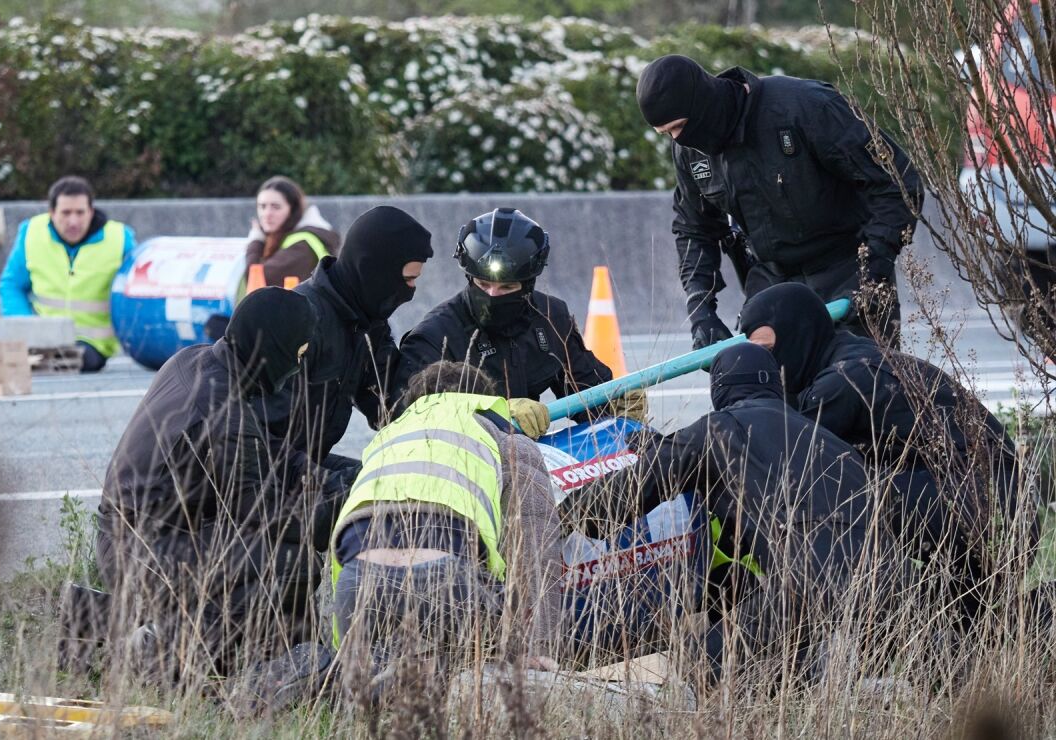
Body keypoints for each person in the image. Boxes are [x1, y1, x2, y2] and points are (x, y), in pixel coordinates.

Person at [96, 287, 355, 680]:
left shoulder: (196, 360)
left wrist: (329, 476)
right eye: (297, 353)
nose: (297, 366)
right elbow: (267, 517)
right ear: (273, 348)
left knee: (263, 555)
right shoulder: (224, 412)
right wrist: (345, 508)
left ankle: (269, 652)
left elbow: (265, 452)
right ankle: (161, 654)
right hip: (143, 555)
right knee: (287, 558)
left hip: (129, 538)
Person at [738, 282, 1035, 620]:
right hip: (998, 512)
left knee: (833, 493)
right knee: (955, 625)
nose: (767, 364)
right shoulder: (856, 356)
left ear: (799, 336)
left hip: (987, 515)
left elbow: (787, 460)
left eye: (768, 351)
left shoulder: (842, 381)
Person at [629, 343, 902, 683]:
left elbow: (631, 488)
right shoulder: (822, 434)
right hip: (890, 575)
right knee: (803, 657)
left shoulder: (720, 427)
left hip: (808, 579)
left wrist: (570, 511)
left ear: (719, 388)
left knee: (699, 663)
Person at [635, 54, 924, 348]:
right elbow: (694, 228)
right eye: (666, 133)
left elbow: (897, 183)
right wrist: (701, 311)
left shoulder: (806, 107)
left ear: (702, 103)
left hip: (847, 272)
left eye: (679, 126)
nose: (678, 138)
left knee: (857, 374)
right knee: (753, 375)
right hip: (771, 284)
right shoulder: (690, 152)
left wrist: (872, 272)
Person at [326, 361, 565, 701]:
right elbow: (536, 544)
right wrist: (535, 648)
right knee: (470, 664)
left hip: (358, 579)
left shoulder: (386, 438)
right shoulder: (501, 437)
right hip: (446, 577)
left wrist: (347, 655)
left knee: (372, 697)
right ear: (484, 400)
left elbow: (346, 542)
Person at [396, 207, 645, 440]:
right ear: (469, 278)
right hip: (465, 455)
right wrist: (496, 412)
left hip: (531, 455)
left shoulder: (550, 317)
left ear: (527, 285)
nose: (492, 295)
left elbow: (586, 390)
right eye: (483, 284)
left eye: (507, 287)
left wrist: (614, 403)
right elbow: (410, 418)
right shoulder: (434, 336)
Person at [256, 205, 434, 467]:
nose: (411, 291)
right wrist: (328, 482)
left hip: (306, 461)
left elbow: (390, 403)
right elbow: (261, 438)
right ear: (375, 272)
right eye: (407, 280)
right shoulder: (299, 321)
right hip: (265, 467)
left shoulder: (367, 321)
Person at [0, 176, 135, 372]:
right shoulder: (32, 233)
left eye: (80, 213)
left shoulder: (120, 238)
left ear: (91, 211)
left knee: (69, 361)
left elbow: (136, 291)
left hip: (92, 345)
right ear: (52, 213)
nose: (73, 221)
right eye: (66, 213)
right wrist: (25, 329)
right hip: (42, 339)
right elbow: (11, 286)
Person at [244, 176, 340, 290]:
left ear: (293, 210)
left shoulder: (303, 244)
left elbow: (256, 279)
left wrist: (256, 240)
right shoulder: (297, 236)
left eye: (276, 207)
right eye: (262, 206)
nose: (267, 214)